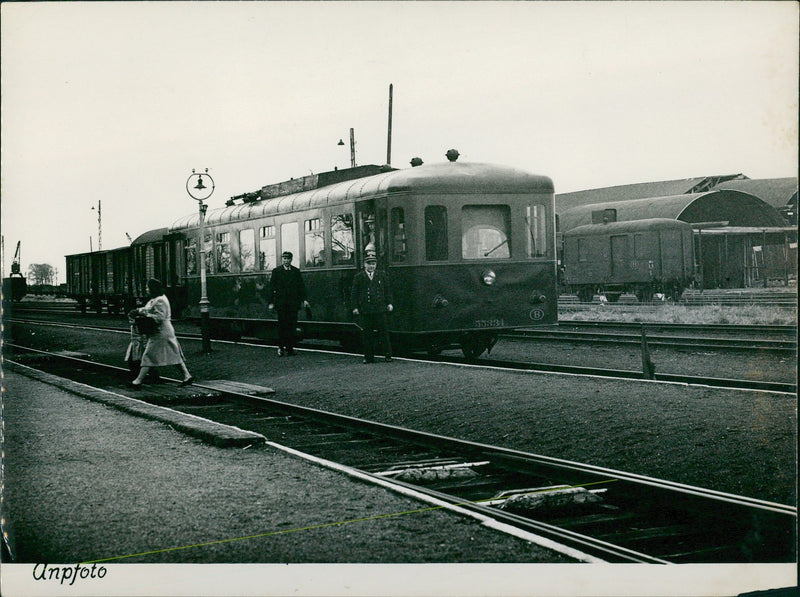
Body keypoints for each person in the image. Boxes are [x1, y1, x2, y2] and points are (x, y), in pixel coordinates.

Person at [129, 279, 193, 387]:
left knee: (148, 355)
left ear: (153, 288)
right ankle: (187, 376)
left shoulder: (160, 300)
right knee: (174, 354)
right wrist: (139, 311)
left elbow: (159, 317)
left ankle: (138, 381)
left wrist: (143, 314)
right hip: (163, 332)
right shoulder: (156, 299)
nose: (146, 289)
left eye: (148, 287)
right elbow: (147, 309)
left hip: (161, 332)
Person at [351, 251, 393, 363]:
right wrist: (355, 307)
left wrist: (389, 303)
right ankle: (368, 357)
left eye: (373, 264)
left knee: (384, 333)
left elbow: (388, 291)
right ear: (365, 265)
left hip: (380, 309)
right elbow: (354, 294)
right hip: (366, 310)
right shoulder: (359, 277)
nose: (371, 266)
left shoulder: (382, 275)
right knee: (367, 334)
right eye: (369, 264)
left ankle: (388, 355)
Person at [269, 251, 309, 356]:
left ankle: (290, 348)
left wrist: (304, 299)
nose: (286, 260)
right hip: (281, 304)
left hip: (293, 304)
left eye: (288, 259)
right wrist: (271, 302)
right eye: (284, 258)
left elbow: (301, 287)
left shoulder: (296, 271)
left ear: (291, 260)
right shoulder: (276, 271)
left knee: (292, 326)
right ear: (282, 259)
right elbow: (271, 288)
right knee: (282, 326)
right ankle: (281, 347)